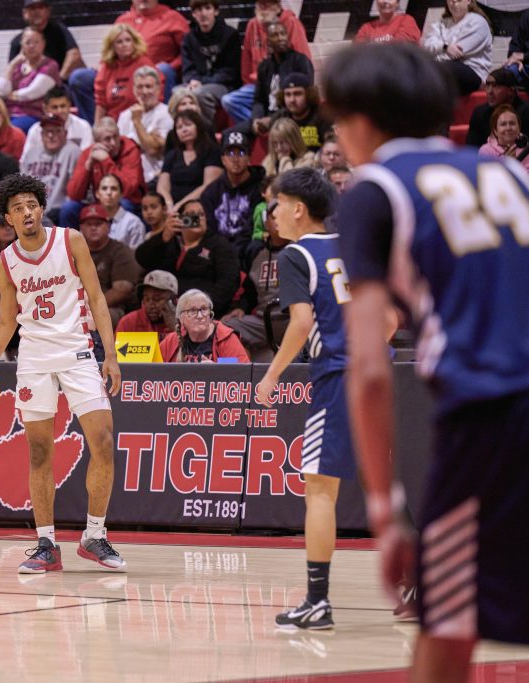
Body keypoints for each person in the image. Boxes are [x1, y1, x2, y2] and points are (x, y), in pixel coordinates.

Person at [328, 42, 529, 680]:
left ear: (363, 119)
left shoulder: (375, 188)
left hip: (493, 415)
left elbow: (367, 367)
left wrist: (388, 514)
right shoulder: (508, 177)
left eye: (337, 122)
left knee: (447, 623)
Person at [0, 173, 125, 573]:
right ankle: (46, 543)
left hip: (77, 350)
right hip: (34, 359)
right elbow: (7, 323)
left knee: (104, 440)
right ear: (8, 219)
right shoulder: (5, 262)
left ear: (41, 207)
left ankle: (95, 536)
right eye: (17, 208)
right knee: (40, 452)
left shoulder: (70, 240)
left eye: (31, 205)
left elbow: (96, 296)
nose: (26, 213)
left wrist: (109, 354)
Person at [250, 168, 355, 631]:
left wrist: (271, 376)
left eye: (275, 205)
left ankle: (317, 601)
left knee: (318, 490)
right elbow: (390, 318)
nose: (270, 214)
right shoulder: (352, 247)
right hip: (377, 372)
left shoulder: (297, 254)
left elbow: (300, 324)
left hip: (335, 375)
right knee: (386, 488)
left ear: (297, 208)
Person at [135, 197, 240, 317]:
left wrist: (204, 307)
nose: (197, 218)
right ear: (179, 219)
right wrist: (163, 237)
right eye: (190, 215)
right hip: (162, 308)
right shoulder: (170, 241)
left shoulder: (219, 245)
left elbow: (227, 283)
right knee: (130, 323)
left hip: (199, 311)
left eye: (201, 214)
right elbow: (141, 258)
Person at [222, 196, 291, 361]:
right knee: (224, 328)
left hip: (291, 319)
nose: (277, 221)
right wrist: (241, 308)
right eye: (273, 217)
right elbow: (249, 291)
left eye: (282, 216)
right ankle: (234, 378)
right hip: (262, 320)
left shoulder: (301, 250)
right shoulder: (255, 253)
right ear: (266, 223)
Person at [226, 0, 312, 125]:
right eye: (260, 4)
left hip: (285, 87)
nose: (263, 8)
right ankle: (258, 125)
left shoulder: (292, 23)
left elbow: (304, 64)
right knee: (229, 101)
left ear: (277, 7)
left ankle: (271, 125)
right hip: (259, 86)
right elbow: (246, 62)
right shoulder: (252, 25)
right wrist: (250, 85)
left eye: (268, 4)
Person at [63, 117, 145, 227]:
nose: (114, 143)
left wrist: (106, 161)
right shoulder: (90, 152)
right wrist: (87, 167)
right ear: (97, 142)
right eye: (107, 139)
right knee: (69, 208)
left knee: (124, 204)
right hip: (98, 202)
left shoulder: (130, 149)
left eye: (116, 137)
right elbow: (74, 194)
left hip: (128, 202)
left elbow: (128, 189)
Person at [201, 129, 265, 268]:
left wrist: (233, 252)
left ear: (249, 158)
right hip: (218, 248)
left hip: (245, 248)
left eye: (241, 153)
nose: (235, 159)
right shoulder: (211, 192)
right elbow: (208, 227)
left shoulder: (259, 189)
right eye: (230, 153)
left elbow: (253, 226)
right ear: (223, 159)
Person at [79, 202, 142, 326]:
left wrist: (90, 307)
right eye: (88, 224)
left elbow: (122, 290)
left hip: (112, 307)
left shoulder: (119, 251)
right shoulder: (74, 251)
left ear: (108, 226)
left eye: (98, 224)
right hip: (79, 305)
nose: (93, 228)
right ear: (81, 228)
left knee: (101, 315)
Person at [181, 0, 242, 123]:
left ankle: (206, 135)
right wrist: (192, 81)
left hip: (224, 85)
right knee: (177, 93)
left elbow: (230, 72)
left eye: (207, 8)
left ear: (216, 11)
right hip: (197, 83)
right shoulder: (189, 38)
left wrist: (201, 82)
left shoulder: (230, 34)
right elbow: (187, 69)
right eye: (198, 10)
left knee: (199, 94)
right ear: (193, 14)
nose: (203, 14)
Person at [420, 0, 492, 96]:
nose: (454, 2)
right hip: (446, 68)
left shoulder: (477, 22)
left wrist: (435, 55)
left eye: (458, 0)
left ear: (468, 1)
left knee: (441, 68)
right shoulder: (441, 23)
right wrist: (445, 47)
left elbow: (457, 54)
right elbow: (426, 46)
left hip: (473, 72)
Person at [0, 27, 60, 133]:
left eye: (36, 42)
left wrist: (9, 95)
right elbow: (0, 90)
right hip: (7, 113)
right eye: (28, 42)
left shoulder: (50, 66)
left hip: (33, 114)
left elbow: (32, 92)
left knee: (12, 130)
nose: (32, 46)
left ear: (43, 44)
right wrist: (13, 64)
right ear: (22, 45)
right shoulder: (17, 66)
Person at [19, 113, 81, 223]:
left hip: (59, 211)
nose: (51, 135)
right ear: (41, 135)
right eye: (48, 131)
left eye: (56, 131)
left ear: (65, 133)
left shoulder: (73, 152)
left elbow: (75, 189)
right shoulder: (31, 154)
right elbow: (22, 188)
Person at [117, 66, 173, 186]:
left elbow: (152, 149)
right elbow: (120, 150)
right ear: (133, 89)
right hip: (128, 177)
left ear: (158, 89)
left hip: (155, 177)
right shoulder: (124, 116)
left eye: (149, 86)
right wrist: (148, 138)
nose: (144, 92)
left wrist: (137, 122)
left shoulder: (167, 113)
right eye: (140, 87)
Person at [157, 110, 223, 211]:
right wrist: (169, 204)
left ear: (198, 126)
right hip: (173, 208)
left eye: (188, 125)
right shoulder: (172, 155)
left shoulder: (212, 151)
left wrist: (180, 205)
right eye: (179, 127)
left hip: (201, 206)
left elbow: (208, 185)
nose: (184, 130)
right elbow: (162, 187)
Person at [160, 288, 249, 362]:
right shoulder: (172, 341)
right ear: (181, 318)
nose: (200, 316)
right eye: (192, 311)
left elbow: (240, 374)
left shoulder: (226, 339)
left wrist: (216, 370)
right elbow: (151, 372)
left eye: (204, 309)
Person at [12, 0, 85, 82]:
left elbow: (74, 55)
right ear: (25, 13)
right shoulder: (17, 42)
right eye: (32, 8)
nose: (36, 11)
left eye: (40, 7)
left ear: (48, 11)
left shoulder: (58, 30)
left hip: (61, 83)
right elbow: (12, 72)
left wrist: (58, 81)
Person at [467, 67, 529, 144]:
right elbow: (471, 149)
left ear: (511, 90)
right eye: (487, 85)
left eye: (496, 86)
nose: (489, 91)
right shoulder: (480, 113)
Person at [267, 73, 332, 152]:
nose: (292, 100)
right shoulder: (278, 118)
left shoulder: (323, 116)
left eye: (297, 94)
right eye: (288, 94)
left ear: (309, 95)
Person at [21, 86, 91, 160]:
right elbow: (26, 158)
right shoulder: (35, 130)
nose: (59, 111)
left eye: (63, 106)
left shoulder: (83, 126)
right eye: (55, 107)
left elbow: (85, 158)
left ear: (69, 105)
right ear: (45, 109)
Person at [479, 105, 529, 181]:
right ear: (495, 131)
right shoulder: (485, 151)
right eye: (503, 124)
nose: (508, 128)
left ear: (519, 128)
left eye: (512, 123)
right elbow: (487, 183)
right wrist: (506, 164)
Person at [116, 269, 177, 339]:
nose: (150, 305)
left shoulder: (185, 323)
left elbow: (189, 349)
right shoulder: (128, 322)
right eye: (147, 299)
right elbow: (116, 349)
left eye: (157, 299)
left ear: (173, 301)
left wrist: (175, 328)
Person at [95, 173, 145, 250]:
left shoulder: (133, 223)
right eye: (104, 188)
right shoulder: (89, 222)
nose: (109, 193)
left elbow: (136, 258)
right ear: (97, 194)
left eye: (114, 188)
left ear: (121, 194)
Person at [354, 0, 421, 44]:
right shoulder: (366, 28)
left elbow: (399, 47)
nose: (385, 1)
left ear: (397, 3)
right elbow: (358, 51)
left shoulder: (406, 21)